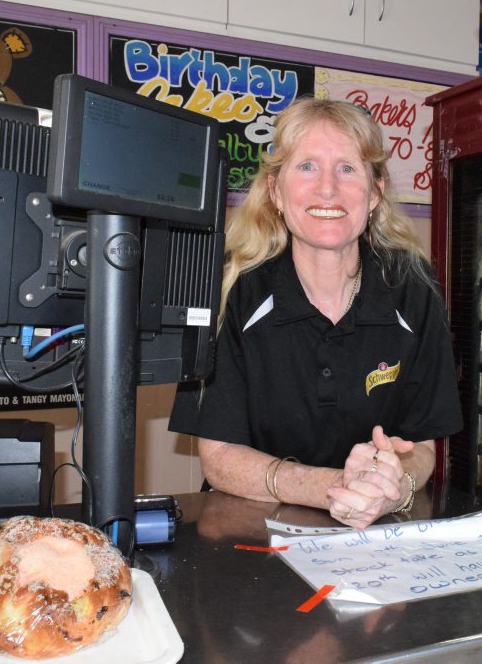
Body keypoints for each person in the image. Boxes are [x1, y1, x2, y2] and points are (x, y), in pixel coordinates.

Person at [169, 97, 462, 529]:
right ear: (275, 191)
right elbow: (219, 459)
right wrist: (334, 486)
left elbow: (422, 445)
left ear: (375, 191)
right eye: (306, 166)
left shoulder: (414, 288)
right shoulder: (230, 290)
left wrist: (395, 484)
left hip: (375, 533)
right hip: (253, 535)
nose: (328, 189)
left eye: (347, 168)